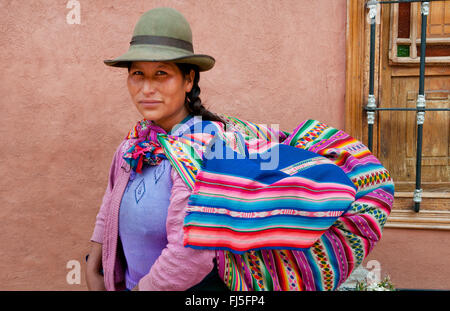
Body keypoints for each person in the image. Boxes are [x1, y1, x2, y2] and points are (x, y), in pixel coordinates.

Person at [86, 7, 394, 291]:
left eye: (161, 74)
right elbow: (110, 203)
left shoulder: (207, 150)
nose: (146, 88)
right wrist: (94, 266)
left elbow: (191, 253)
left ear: (189, 80)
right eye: (137, 73)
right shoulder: (133, 144)